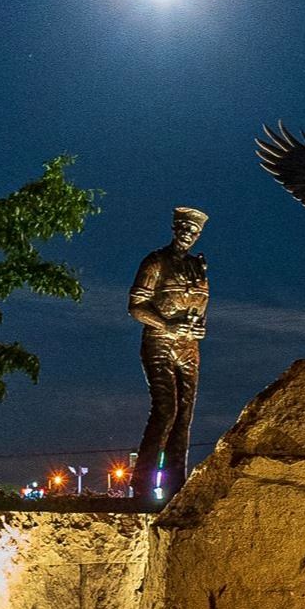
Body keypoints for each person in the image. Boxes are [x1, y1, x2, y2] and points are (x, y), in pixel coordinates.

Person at [129, 206, 209, 503]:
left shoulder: (198, 268)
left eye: (195, 231)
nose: (188, 235)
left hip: (189, 347)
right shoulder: (156, 261)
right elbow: (136, 306)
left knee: (184, 415)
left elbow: (199, 310)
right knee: (166, 410)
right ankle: (142, 485)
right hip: (159, 342)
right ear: (175, 229)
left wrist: (200, 329)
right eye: (185, 229)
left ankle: (177, 486)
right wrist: (166, 324)